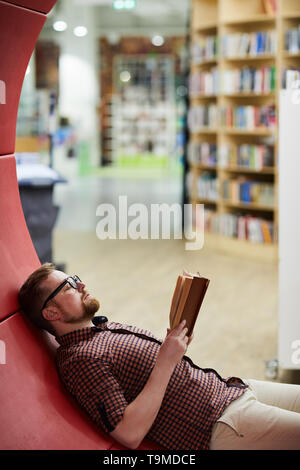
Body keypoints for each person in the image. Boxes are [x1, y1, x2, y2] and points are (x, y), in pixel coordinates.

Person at [18, 263, 300, 450]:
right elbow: (128, 432)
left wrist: (174, 347)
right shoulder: (80, 360)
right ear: (51, 313)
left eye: (75, 278)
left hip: (230, 390)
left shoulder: (99, 330)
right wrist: (166, 360)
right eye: (68, 285)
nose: (80, 285)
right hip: (222, 422)